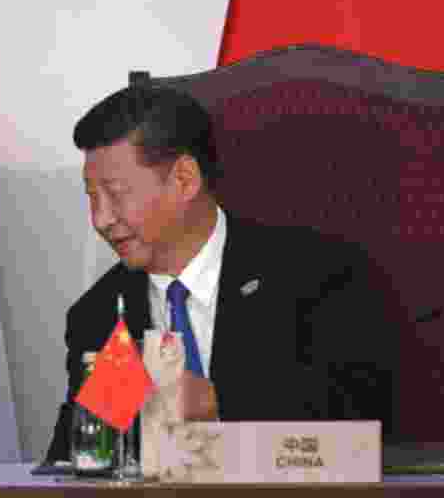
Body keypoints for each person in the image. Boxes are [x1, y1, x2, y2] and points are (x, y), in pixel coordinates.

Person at [45, 86, 397, 462]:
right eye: (91, 196)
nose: (101, 219)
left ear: (184, 179)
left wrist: (217, 404)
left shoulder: (318, 277)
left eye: (115, 193)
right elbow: (74, 462)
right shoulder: (98, 314)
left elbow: (362, 430)